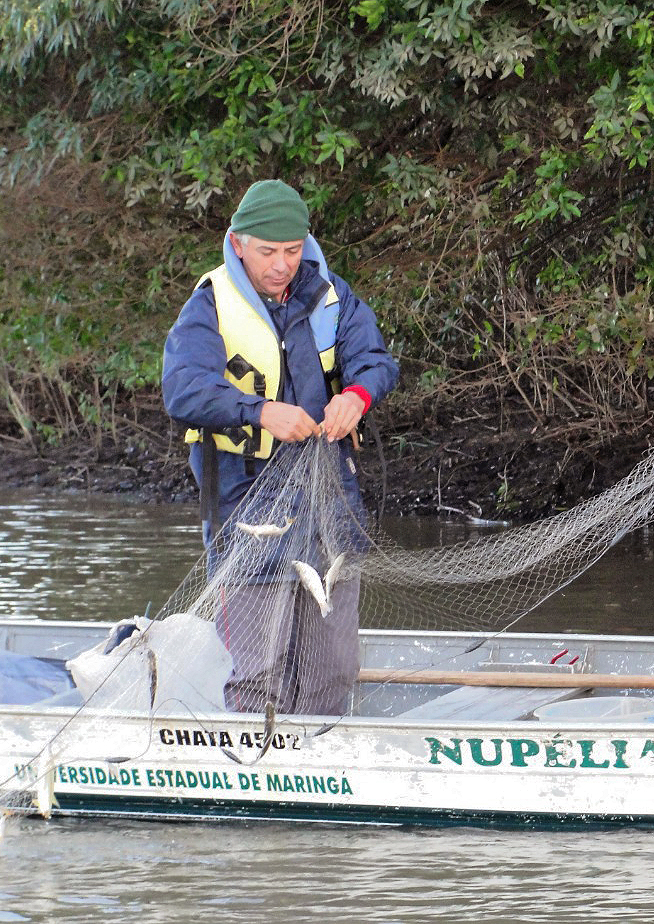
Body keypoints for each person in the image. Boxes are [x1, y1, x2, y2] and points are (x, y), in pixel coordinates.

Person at [162, 179, 398, 716]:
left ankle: (321, 765)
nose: (282, 264)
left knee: (331, 667)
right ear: (237, 242)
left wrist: (357, 397)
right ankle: (255, 775)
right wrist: (262, 412)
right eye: (268, 251)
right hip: (247, 509)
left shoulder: (331, 296)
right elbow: (183, 388)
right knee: (255, 669)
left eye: (293, 251)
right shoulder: (209, 305)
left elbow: (377, 361)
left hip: (329, 506)